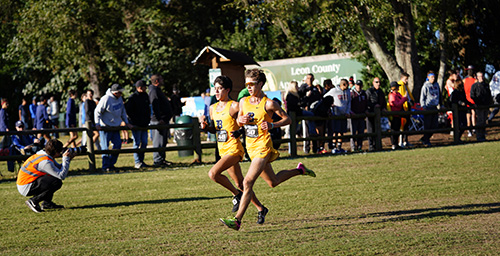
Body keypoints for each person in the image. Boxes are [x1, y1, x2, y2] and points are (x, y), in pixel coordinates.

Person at [219, 69, 316, 231]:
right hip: (251, 148)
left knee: (247, 182)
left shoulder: (269, 103)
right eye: (246, 84)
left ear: (261, 84)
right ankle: (300, 170)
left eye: (252, 84)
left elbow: (288, 119)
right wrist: (240, 120)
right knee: (273, 181)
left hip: (263, 147)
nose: (248, 87)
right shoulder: (243, 101)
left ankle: (237, 220)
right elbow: (240, 120)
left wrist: (273, 125)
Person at [201, 75, 265, 214]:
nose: (216, 92)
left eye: (220, 89)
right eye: (215, 89)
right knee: (240, 183)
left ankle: (236, 195)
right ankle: (260, 208)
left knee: (213, 174)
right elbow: (216, 129)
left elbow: (247, 122)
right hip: (223, 150)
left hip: (234, 149)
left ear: (227, 90)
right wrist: (206, 128)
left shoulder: (235, 106)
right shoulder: (212, 108)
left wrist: (240, 131)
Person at [16, 139, 74, 213]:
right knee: (56, 182)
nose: (60, 153)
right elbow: (61, 175)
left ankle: (47, 203)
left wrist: (68, 159)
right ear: (55, 152)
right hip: (26, 186)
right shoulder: (45, 162)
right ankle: (33, 201)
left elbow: (57, 168)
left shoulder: (43, 154)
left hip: (28, 182)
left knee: (52, 178)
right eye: (59, 151)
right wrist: (65, 159)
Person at [95, 83, 133, 172]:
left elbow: (123, 111)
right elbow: (97, 112)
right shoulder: (106, 99)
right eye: (119, 92)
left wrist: (126, 122)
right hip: (105, 127)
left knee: (117, 145)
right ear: (115, 93)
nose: (121, 94)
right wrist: (97, 123)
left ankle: (111, 164)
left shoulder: (119, 99)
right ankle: (105, 166)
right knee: (105, 148)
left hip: (115, 127)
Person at [125, 80, 151, 169]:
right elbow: (128, 110)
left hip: (144, 124)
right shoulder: (133, 98)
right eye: (144, 86)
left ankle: (141, 160)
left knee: (144, 142)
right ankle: (137, 162)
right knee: (136, 143)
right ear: (140, 87)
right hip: (136, 124)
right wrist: (134, 120)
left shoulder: (145, 96)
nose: (146, 88)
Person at [149, 74, 173, 167]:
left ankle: (162, 159)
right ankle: (157, 160)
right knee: (158, 141)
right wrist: (159, 119)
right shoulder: (153, 91)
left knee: (163, 141)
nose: (163, 81)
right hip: (158, 121)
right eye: (161, 79)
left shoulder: (157, 90)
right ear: (157, 81)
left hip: (163, 119)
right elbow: (155, 105)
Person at [325, 79, 351, 154]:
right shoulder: (334, 91)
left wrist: (347, 111)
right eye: (346, 85)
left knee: (341, 131)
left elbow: (349, 102)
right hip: (335, 114)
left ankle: (339, 147)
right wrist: (331, 105)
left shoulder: (348, 91)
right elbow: (325, 97)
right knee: (335, 131)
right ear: (343, 84)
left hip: (343, 114)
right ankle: (334, 147)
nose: (347, 87)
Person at [298, 73, 319, 153]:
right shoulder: (302, 88)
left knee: (313, 131)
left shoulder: (315, 88)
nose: (309, 80)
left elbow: (317, 98)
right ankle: (306, 149)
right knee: (306, 132)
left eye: (311, 78)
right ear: (305, 79)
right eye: (308, 78)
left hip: (313, 112)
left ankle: (315, 149)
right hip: (306, 112)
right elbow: (300, 100)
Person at [419, 71, 441, 147]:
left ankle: (424, 138)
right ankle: (426, 140)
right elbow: (422, 97)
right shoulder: (425, 86)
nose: (433, 79)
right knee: (427, 125)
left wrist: (441, 104)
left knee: (435, 125)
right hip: (428, 107)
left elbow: (439, 95)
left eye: (434, 77)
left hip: (435, 106)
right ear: (428, 77)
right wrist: (423, 106)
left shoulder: (437, 84)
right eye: (432, 77)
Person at [470, 71, 492, 142]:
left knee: (484, 120)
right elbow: (472, 95)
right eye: (479, 76)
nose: (481, 78)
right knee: (480, 120)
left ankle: (482, 134)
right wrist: (477, 101)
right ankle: (479, 135)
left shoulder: (486, 85)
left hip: (485, 105)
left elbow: (489, 94)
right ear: (476, 77)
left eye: (482, 76)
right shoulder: (474, 86)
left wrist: (488, 103)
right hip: (479, 106)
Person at [366, 77, 386, 151]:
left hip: (378, 114)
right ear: (373, 83)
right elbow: (367, 102)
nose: (378, 84)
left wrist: (384, 108)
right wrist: (373, 105)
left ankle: (377, 144)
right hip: (371, 113)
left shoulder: (381, 91)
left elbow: (384, 101)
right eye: (377, 82)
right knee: (370, 130)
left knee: (377, 129)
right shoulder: (369, 91)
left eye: (379, 82)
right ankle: (371, 146)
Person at [388, 81, 408, 150]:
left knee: (398, 129)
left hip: (399, 114)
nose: (398, 88)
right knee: (394, 129)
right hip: (394, 115)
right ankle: (394, 144)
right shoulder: (392, 95)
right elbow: (397, 104)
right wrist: (404, 98)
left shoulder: (398, 94)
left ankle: (396, 144)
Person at [397, 72, 414, 147]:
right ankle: (400, 141)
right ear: (402, 78)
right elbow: (402, 96)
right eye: (405, 79)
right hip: (403, 107)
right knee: (402, 125)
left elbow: (409, 95)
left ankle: (406, 141)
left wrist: (412, 101)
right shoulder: (400, 85)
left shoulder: (405, 85)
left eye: (407, 79)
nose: (406, 80)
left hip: (408, 107)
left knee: (406, 125)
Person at [350, 80, 368, 151]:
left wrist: (366, 110)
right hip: (354, 116)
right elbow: (349, 104)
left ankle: (360, 146)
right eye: (357, 85)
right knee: (353, 132)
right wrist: (351, 112)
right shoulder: (352, 94)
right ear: (355, 85)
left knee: (361, 132)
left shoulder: (364, 93)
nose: (359, 86)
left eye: (360, 85)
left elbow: (366, 103)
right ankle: (353, 147)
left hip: (361, 115)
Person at [463, 65, 476, 137]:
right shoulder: (474, 81)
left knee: (469, 115)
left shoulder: (464, 80)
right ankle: (473, 129)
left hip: (468, 99)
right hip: (471, 100)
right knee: (473, 114)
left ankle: (470, 130)